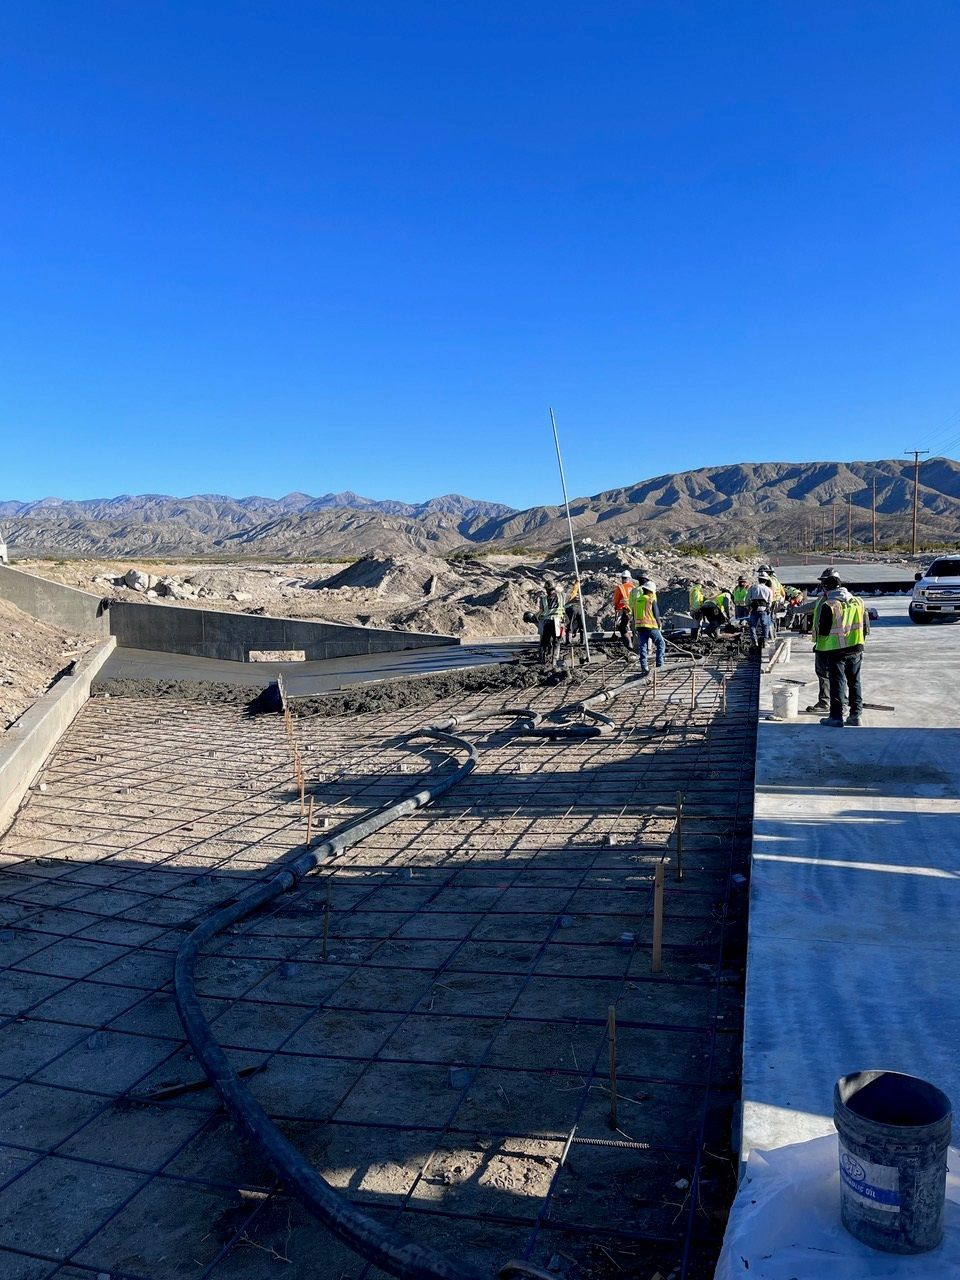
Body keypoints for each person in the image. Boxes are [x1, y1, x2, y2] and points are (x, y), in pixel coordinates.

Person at [813, 573, 868, 726]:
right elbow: (866, 626)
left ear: (826, 588)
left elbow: (823, 631)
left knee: (837, 682)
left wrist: (819, 647)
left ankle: (836, 717)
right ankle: (856, 715)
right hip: (856, 647)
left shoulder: (829, 605)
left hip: (836, 650)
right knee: (854, 681)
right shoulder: (858, 601)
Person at [630, 576, 666, 676]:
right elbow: (656, 614)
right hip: (650, 627)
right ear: (651, 591)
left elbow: (634, 613)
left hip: (639, 627)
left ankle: (644, 666)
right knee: (661, 644)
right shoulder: (650, 600)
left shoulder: (637, 601)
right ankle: (660, 665)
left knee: (643, 647)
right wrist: (659, 623)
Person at [536, 576, 565, 665]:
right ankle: (554, 661)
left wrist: (536, 617)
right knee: (557, 641)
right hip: (557, 622)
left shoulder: (543, 599)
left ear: (547, 589)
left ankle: (542, 659)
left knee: (544, 641)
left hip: (547, 622)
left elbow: (541, 611)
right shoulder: (561, 596)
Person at [747, 574, 774, 649]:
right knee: (765, 625)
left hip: (754, 609)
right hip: (764, 609)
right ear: (765, 581)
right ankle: (765, 641)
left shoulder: (752, 588)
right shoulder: (768, 590)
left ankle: (754, 641)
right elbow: (770, 601)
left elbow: (748, 598)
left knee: (752, 625)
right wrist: (768, 608)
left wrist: (748, 606)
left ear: (759, 580)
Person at [612, 570, 636, 650]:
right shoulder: (633, 587)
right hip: (633, 609)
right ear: (629, 578)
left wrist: (616, 607)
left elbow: (616, 599)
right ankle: (635, 642)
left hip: (624, 609)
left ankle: (629, 643)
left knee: (622, 627)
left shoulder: (620, 587)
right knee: (633, 626)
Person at [564, 577, 584, 644]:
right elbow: (576, 587)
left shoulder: (564, 596)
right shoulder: (573, 593)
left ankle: (568, 641)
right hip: (579, 608)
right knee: (581, 624)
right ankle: (582, 640)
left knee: (569, 624)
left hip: (570, 608)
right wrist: (577, 582)